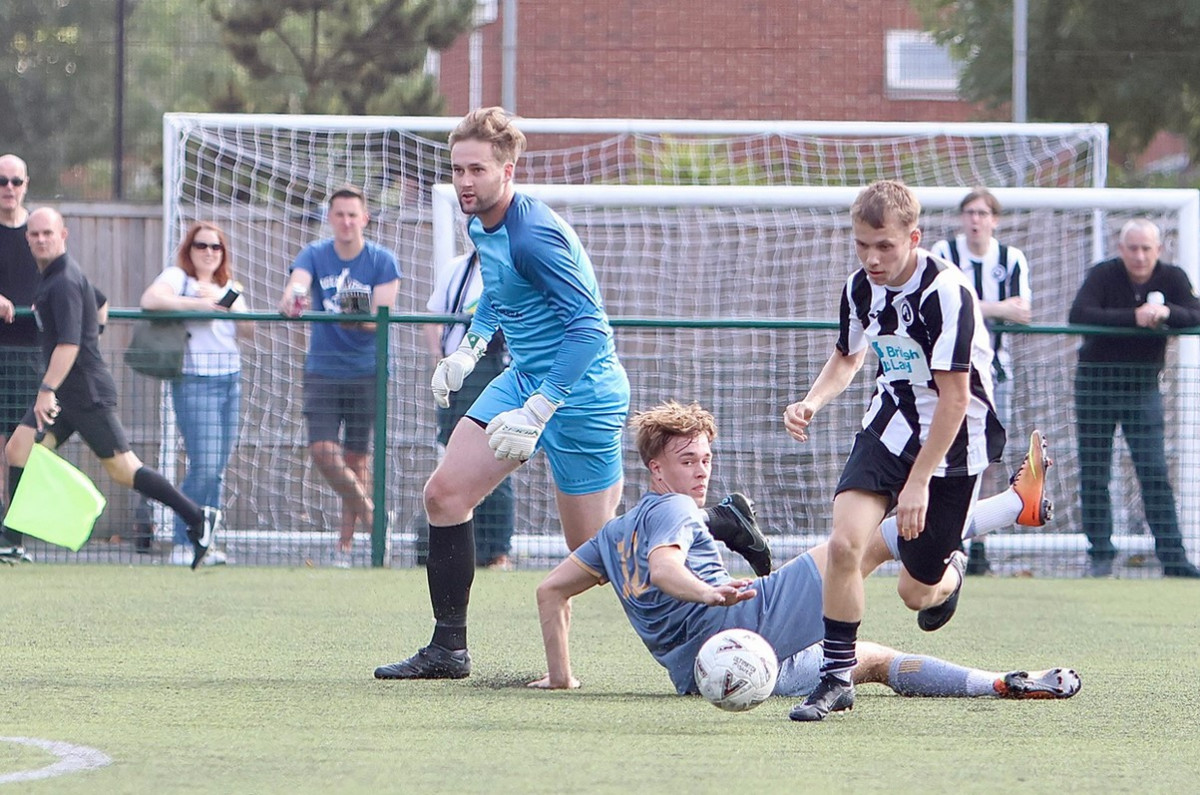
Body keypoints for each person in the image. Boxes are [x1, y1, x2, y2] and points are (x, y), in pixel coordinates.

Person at [374, 107, 767, 681]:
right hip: (526, 377)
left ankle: (718, 522)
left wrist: (541, 407)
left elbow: (590, 329)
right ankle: (448, 650)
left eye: (477, 170)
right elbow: (500, 290)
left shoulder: (535, 234)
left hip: (582, 393)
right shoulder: (479, 221)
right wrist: (471, 348)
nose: (464, 181)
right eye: (457, 168)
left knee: (598, 554)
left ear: (507, 171)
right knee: (445, 495)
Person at [528, 401, 1075, 710]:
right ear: (656, 471)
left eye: (706, 458)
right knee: (860, 545)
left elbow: (549, 591)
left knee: (873, 660)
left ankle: (997, 680)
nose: (701, 470)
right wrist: (709, 592)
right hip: (745, 618)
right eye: (688, 460)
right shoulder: (674, 511)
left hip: (718, 675)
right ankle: (1012, 506)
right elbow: (664, 568)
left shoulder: (609, 536)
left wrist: (561, 677)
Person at [783, 180, 1011, 721]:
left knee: (916, 590)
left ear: (914, 237)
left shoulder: (947, 293)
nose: (872, 258)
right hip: (889, 427)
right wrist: (811, 402)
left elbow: (955, 401)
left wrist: (918, 483)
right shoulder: (859, 288)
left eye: (884, 246)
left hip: (955, 442)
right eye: (862, 245)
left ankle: (948, 575)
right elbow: (848, 357)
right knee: (845, 545)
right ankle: (837, 678)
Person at [0, 208, 221, 567]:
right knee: (18, 450)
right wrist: (93, 333)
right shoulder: (54, 276)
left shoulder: (63, 281)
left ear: (63, 235)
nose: (41, 239)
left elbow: (69, 345)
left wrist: (47, 389)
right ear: (27, 238)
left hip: (84, 393)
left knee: (124, 469)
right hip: (64, 394)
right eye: (35, 234)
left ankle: (198, 518)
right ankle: (11, 539)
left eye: (48, 234)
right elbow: (100, 305)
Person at [1068, 218, 1200, 579]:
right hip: (1095, 386)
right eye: (1133, 248)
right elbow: (1080, 314)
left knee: (1154, 472)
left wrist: (1167, 313)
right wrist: (1135, 317)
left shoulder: (1172, 277)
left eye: (1146, 249)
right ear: (1121, 249)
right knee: (1094, 472)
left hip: (1142, 388)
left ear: (1158, 250)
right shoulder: (1103, 275)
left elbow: (1195, 312)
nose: (1139, 256)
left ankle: (1173, 558)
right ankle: (1100, 555)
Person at [278, 185, 400, 568]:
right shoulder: (315, 254)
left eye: (353, 214)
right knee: (324, 452)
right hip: (323, 369)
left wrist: (354, 314)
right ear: (330, 218)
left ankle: (344, 549)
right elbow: (297, 285)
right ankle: (373, 515)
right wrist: (294, 297)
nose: (346, 221)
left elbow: (378, 317)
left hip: (367, 371)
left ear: (364, 218)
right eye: (339, 214)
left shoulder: (382, 260)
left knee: (357, 459)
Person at [930, 187, 1033, 576]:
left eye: (983, 212)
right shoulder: (945, 252)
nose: (976, 219)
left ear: (995, 219)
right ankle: (940, 537)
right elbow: (941, 303)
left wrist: (971, 302)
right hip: (946, 370)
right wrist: (994, 307)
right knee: (938, 452)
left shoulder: (1011, 259)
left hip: (994, 375)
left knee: (984, 459)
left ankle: (979, 541)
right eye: (969, 212)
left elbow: (1022, 312)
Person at [140, 222, 249, 567]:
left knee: (215, 468)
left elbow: (248, 329)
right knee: (202, 465)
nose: (208, 253)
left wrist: (225, 304)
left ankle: (207, 541)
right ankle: (181, 541)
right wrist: (196, 303)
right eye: (201, 246)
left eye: (216, 247)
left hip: (229, 379)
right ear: (189, 250)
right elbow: (150, 300)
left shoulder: (228, 285)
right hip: (193, 379)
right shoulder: (178, 278)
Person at [424, 249, 516, 571]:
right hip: (458, 373)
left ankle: (498, 551)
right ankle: (460, 549)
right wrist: (439, 358)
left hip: (492, 371)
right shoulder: (456, 268)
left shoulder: (512, 268)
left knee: (493, 459)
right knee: (453, 459)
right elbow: (434, 315)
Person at [0, 155, 42, 540]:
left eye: (15, 181)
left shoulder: (38, 231)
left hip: (32, 355)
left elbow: (62, 277)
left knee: (21, 442)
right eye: (1, 182)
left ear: (26, 183)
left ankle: (14, 533)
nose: (8, 189)